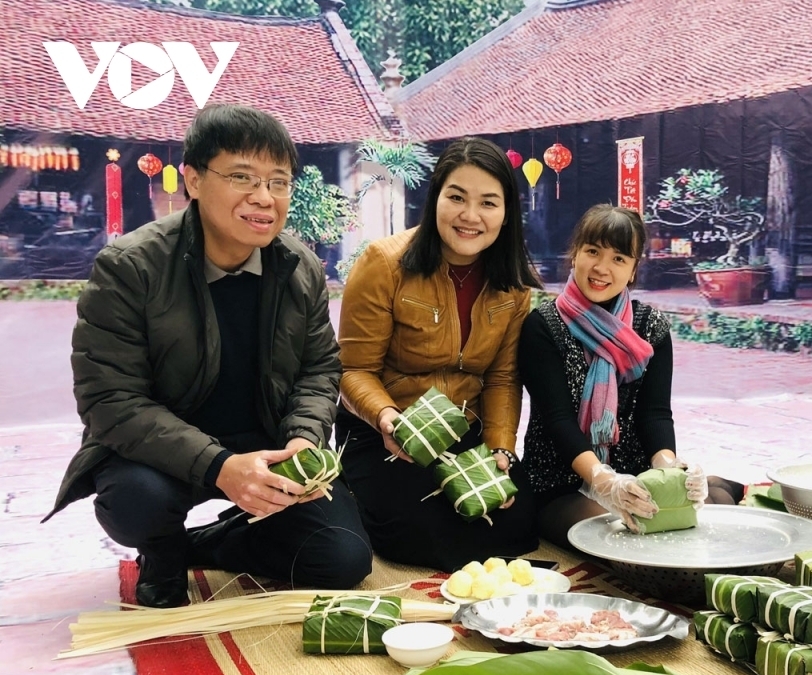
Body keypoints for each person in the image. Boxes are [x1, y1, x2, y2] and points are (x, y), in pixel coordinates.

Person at [46, 104, 372, 608]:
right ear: (194, 180)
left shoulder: (298, 267)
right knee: (137, 504)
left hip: (265, 439)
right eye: (242, 177)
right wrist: (220, 466)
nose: (263, 198)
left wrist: (304, 439)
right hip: (164, 451)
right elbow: (111, 400)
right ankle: (163, 549)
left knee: (341, 561)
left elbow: (318, 367)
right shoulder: (131, 268)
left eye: (279, 181)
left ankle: (213, 541)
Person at [336, 137, 542, 572]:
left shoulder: (514, 285)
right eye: (456, 197)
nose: (470, 216)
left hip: (463, 430)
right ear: (435, 201)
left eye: (488, 202)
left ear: (506, 214)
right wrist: (386, 418)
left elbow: (503, 378)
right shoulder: (382, 263)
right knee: (430, 535)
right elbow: (354, 369)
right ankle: (355, 497)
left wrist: (500, 450)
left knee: (517, 525)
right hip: (387, 432)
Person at [520, 204, 743, 547]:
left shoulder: (649, 325)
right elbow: (558, 420)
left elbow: (654, 414)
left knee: (705, 513)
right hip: (560, 480)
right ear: (575, 253)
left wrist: (670, 469)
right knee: (616, 534)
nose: (601, 268)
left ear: (634, 269)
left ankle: (715, 486)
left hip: (637, 477)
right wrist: (604, 482)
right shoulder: (543, 326)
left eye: (619, 259)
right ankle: (719, 485)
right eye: (592, 251)